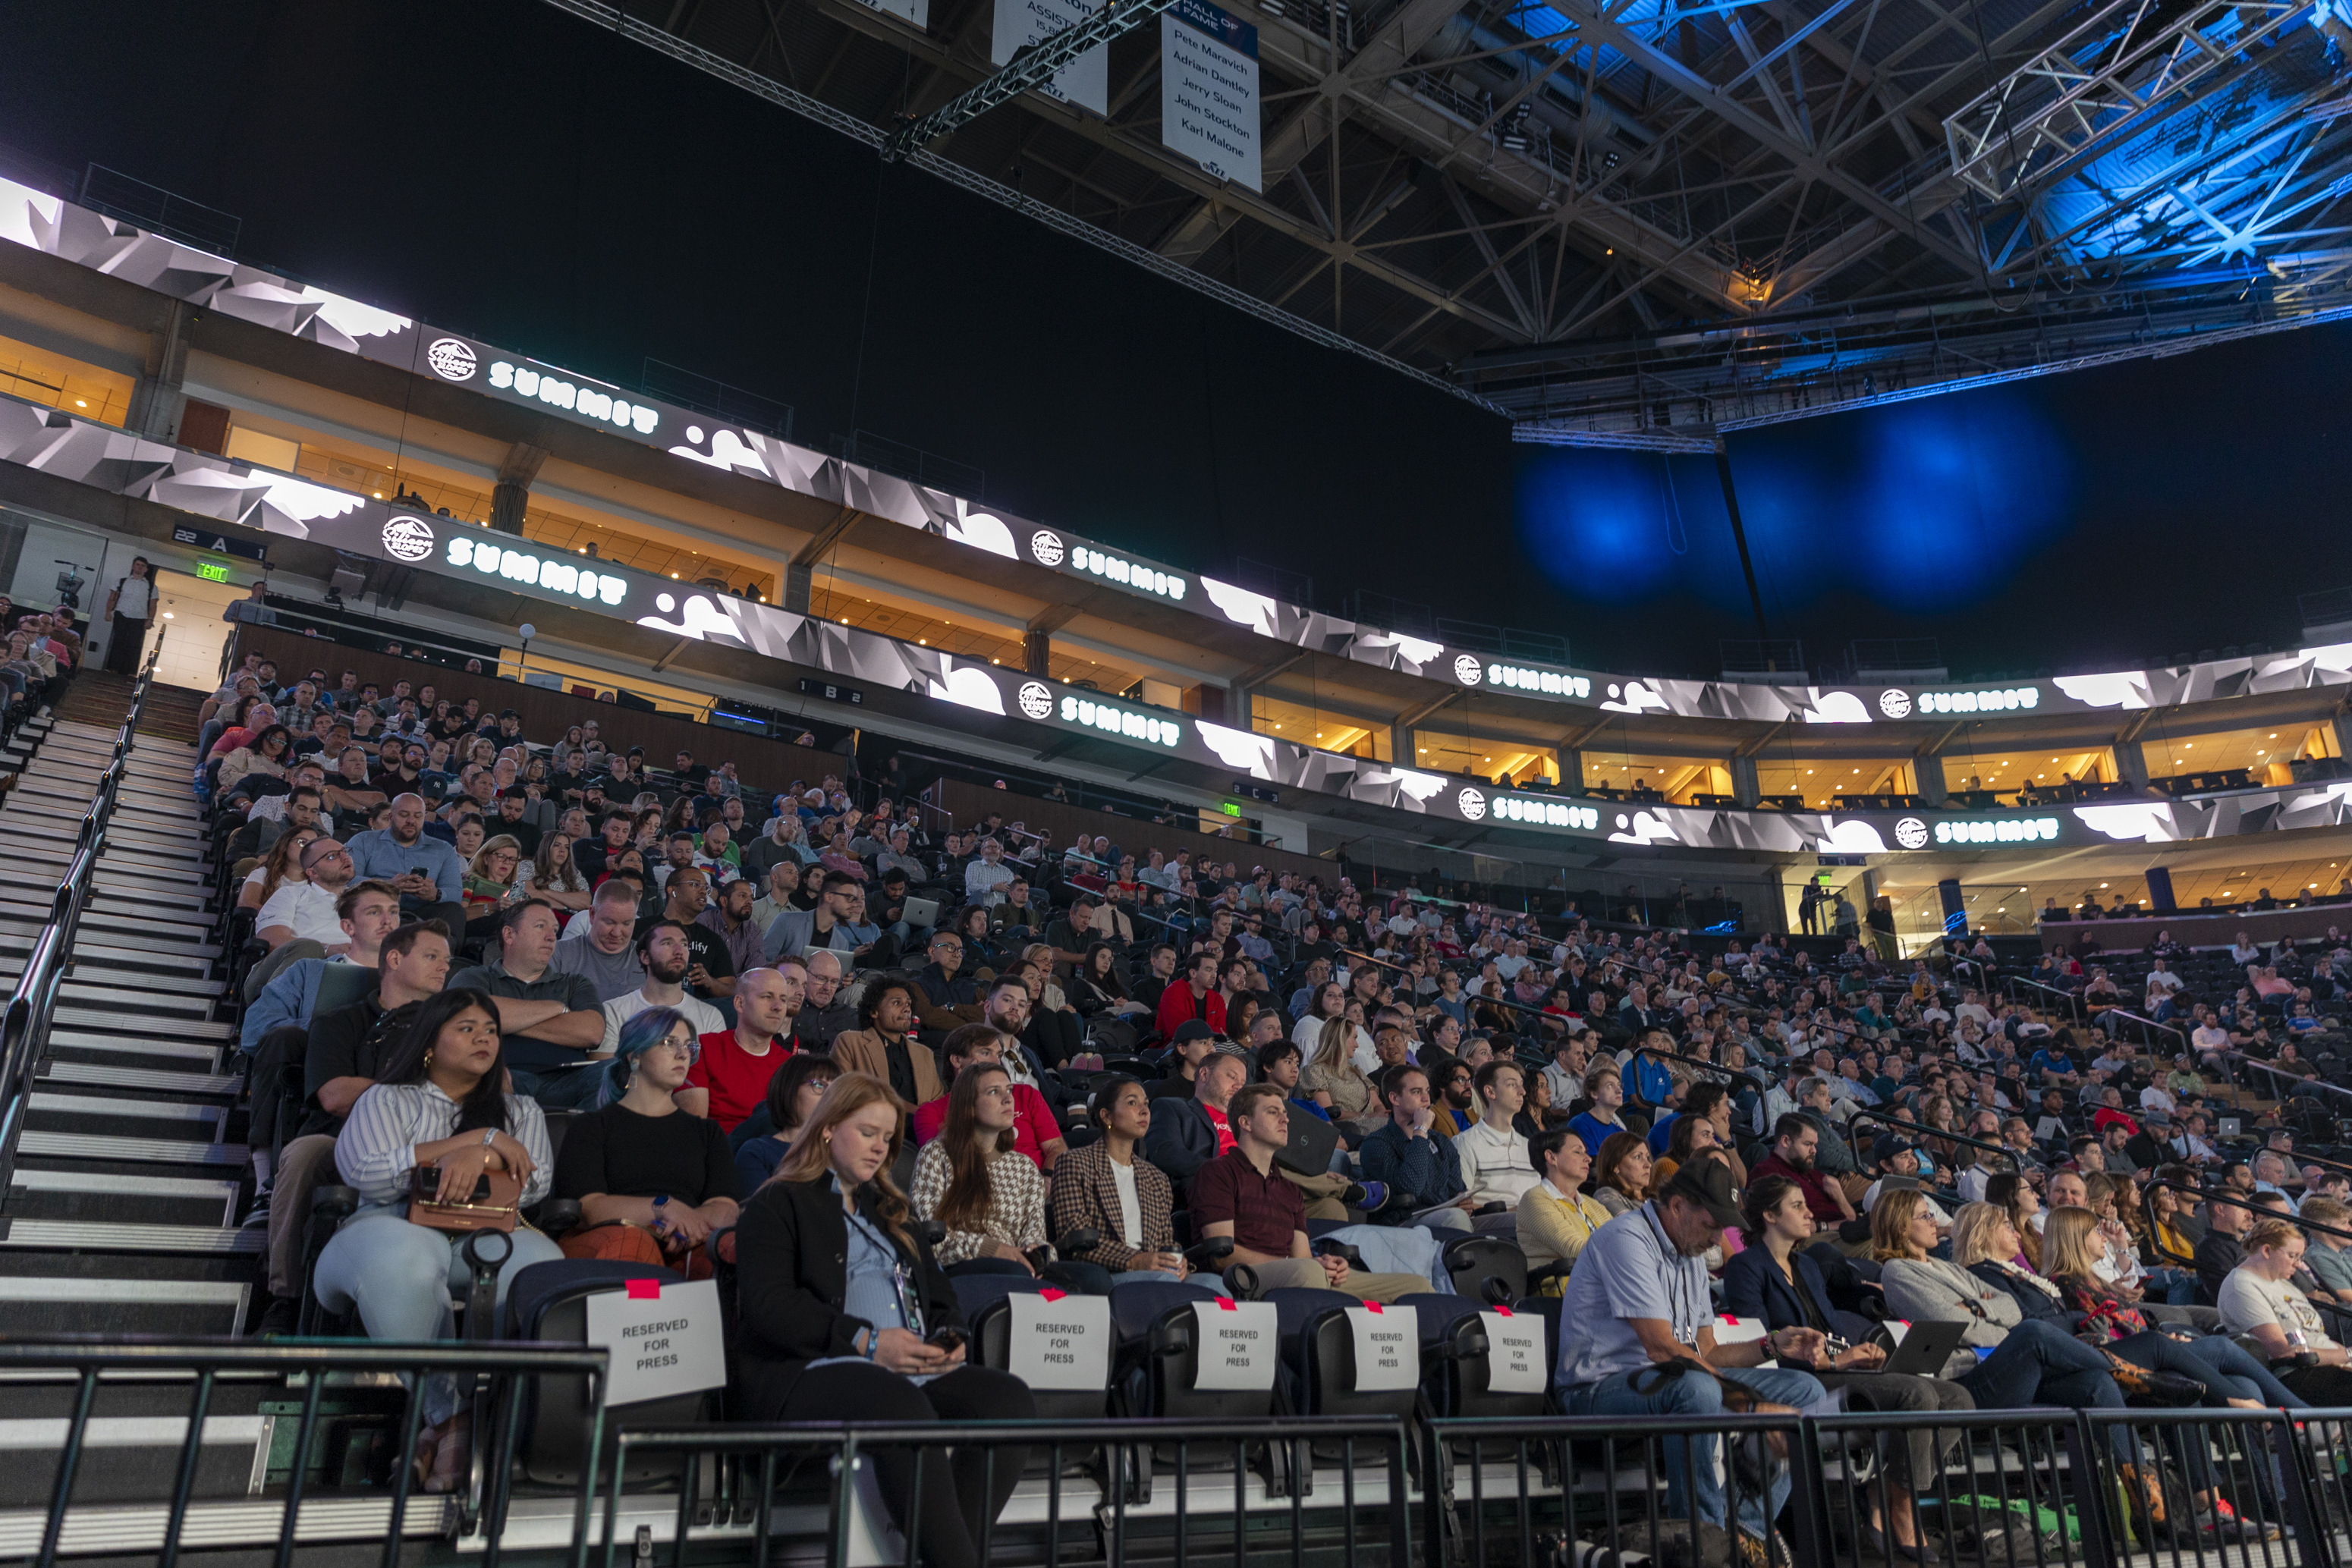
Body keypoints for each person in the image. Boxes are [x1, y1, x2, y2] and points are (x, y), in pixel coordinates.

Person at [731, 1073, 1036, 1568]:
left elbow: (939, 1291)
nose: (881, 1146)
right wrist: (867, 1342)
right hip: (812, 1369)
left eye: (889, 1136)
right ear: (828, 1127)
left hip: (903, 1368)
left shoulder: (894, 1208)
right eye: (868, 1131)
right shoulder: (776, 1200)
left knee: (1008, 1400)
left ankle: (953, 1555)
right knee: (898, 1401)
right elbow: (770, 1307)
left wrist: (949, 1336)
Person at [311, 989, 561, 1491]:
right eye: (466, 1028)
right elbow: (368, 1171)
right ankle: (455, 1418)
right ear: (429, 1043)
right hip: (384, 1226)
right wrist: (478, 1142)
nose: (483, 1037)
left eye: (490, 1029)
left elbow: (535, 1181)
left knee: (542, 1265)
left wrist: (478, 1158)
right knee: (411, 1253)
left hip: (485, 1232)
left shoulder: (522, 1108)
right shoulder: (387, 1097)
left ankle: (470, 1429)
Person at [1553, 1158, 1827, 1564]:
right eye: (1712, 1224)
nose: (1719, 1239)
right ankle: (1701, 1538)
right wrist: (1750, 1406)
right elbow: (1662, 1349)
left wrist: (1772, 1346)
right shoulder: (1626, 1238)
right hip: (1594, 1391)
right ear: (1677, 1205)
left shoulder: (1692, 1255)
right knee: (1695, 1387)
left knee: (1805, 1389)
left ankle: (1744, 1534)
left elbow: (1708, 1352)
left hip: (1667, 1384)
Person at [1722, 1174, 1973, 1561]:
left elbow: (1832, 1332)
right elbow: (1756, 1344)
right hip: (1798, 1377)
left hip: (1835, 1366)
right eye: (1798, 1206)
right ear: (1770, 1215)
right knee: (1917, 1393)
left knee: (1958, 1397)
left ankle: (1882, 1490)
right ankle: (1903, 1511)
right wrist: (1839, 1359)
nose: (1810, 1213)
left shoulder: (1806, 1264)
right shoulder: (1746, 1266)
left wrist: (1862, 1352)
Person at [255, 919, 451, 1336]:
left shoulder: (449, 1030)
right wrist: (416, 1093)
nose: (444, 968)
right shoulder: (339, 1023)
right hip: (341, 1139)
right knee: (304, 1153)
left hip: (431, 1142)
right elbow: (335, 1096)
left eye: (447, 961)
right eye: (432, 957)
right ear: (395, 959)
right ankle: (284, 1297)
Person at [1187, 1083, 1426, 1301]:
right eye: (1273, 1112)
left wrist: (1328, 1264)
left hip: (1299, 1272)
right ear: (1246, 1123)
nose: (1285, 1120)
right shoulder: (1217, 1173)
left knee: (1417, 1285)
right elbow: (1222, 1255)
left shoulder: (1289, 1189)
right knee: (1308, 1271)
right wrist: (1302, 1265)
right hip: (1243, 1276)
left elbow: (1301, 1256)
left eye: (1285, 1113)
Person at [550, 1007, 741, 1276]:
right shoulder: (592, 1126)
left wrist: (690, 1223)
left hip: (683, 1242)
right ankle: (647, 1307)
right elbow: (590, 1208)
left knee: (733, 1247)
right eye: (668, 1043)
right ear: (635, 1055)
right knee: (635, 1245)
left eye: (688, 1045)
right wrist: (664, 1208)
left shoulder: (706, 1132)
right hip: (614, 1242)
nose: (682, 1053)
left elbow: (727, 1206)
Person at [909, 1063, 1096, 1290]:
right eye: (994, 1092)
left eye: (1008, 1090)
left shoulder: (1024, 1167)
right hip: (960, 1267)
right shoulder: (935, 1155)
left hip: (1019, 1268)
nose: (1008, 1099)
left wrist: (1036, 1257)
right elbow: (928, 1237)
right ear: (968, 1106)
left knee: (1090, 1280)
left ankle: (1049, 1308)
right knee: (1017, 1275)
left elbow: (1034, 1234)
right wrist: (992, 1249)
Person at [1045, 1076, 1225, 1290]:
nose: (1144, 1110)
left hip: (1154, 1272)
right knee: (1165, 1283)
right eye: (1132, 1102)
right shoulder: (1074, 1163)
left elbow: (1166, 1241)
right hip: (1102, 1273)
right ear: (1106, 1116)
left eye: (1146, 1104)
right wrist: (1136, 1260)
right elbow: (1075, 1238)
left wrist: (1178, 1261)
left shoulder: (1156, 1177)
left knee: (1215, 1285)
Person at [2219, 1218, 2352, 1403]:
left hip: (2328, 1366)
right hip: (2293, 1374)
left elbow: (2318, 1337)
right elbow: (2283, 1351)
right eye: (2292, 1256)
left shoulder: (2284, 1284)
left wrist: (2347, 1355)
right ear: (2267, 1251)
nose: (2298, 1264)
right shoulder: (2242, 1287)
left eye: (2300, 1257)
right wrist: (2347, 1354)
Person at [912, 1026, 1064, 1170]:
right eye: (985, 1053)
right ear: (957, 1061)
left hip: (1038, 1183)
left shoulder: (1025, 1094)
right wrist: (971, 1100)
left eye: (999, 1055)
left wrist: (1048, 1178)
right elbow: (936, 1162)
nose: (997, 1062)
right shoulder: (931, 1112)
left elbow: (1056, 1146)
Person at [684, 966, 797, 1132]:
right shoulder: (703, 1049)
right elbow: (693, 1130)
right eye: (767, 997)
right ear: (739, 1003)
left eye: (784, 999)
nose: (778, 1007)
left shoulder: (790, 1067)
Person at [344, 792, 467, 937]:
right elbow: (347, 878)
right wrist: (386, 886)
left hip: (423, 912)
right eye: (404, 815)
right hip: (376, 908)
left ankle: (442, 956)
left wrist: (435, 894)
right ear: (391, 817)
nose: (411, 821)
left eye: (417, 816)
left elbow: (455, 892)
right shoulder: (364, 841)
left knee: (454, 911)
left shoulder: (443, 849)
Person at [598, 922, 727, 1054]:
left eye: (684, 945)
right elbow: (605, 1072)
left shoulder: (711, 1017)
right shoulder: (613, 1012)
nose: (679, 951)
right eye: (667, 943)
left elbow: (715, 1072)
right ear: (645, 957)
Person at [1515, 1126, 1614, 1290]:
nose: (1588, 1159)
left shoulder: (1592, 1204)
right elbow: (1576, 1249)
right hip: (1562, 1296)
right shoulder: (1535, 1199)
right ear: (1551, 1157)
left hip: (1602, 1286)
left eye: (1586, 1152)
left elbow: (1620, 1241)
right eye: (1578, 1152)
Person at [734, 1053, 841, 1193]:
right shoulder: (756, 1152)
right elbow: (760, 1213)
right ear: (790, 1089)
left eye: (835, 1089)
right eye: (819, 1085)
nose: (830, 1096)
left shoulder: (841, 1152)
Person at [830, 979, 945, 1109]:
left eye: (908, 1004)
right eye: (897, 1003)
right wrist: (916, 1112)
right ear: (874, 1012)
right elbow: (845, 1094)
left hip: (921, 1128)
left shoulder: (925, 1054)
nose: (907, 1009)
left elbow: (937, 1105)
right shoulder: (850, 1042)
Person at [1750, 1114, 1855, 1224]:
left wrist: (1840, 1197)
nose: (1814, 1150)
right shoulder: (1767, 1174)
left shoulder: (1810, 1172)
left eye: (1814, 1145)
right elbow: (1779, 1227)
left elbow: (1851, 1219)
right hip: (1816, 1236)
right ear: (1786, 1141)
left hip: (1842, 1230)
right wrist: (1829, 1226)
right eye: (1808, 1144)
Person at [102, 554, 153, 676]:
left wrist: (150, 619)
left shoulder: (150, 586)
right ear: (133, 566)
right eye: (137, 565)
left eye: (142, 566)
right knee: (118, 641)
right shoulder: (121, 582)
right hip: (121, 614)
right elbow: (112, 598)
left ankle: (128, 671)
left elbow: (153, 604)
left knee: (134, 644)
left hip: (139, 618)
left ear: (146, 569)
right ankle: (113, 668)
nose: (139, 568)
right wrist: (108, 612)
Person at [1591, 1131, 1655, 1218]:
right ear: (1615, 1166)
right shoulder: (1606, 1195)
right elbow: (1632, 1227)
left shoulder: (1654, 1199)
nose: (1648, 1165)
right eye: (1638, 1157)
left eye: (1647, 1157)